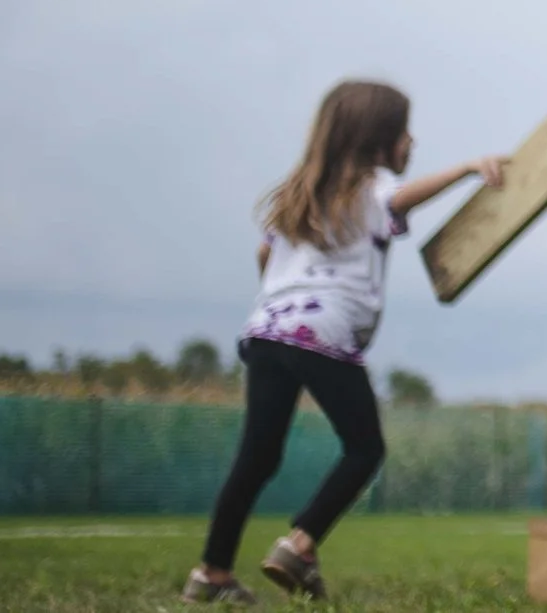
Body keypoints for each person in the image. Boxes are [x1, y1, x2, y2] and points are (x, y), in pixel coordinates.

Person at [184, 81, 507, 602]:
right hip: (321, 331)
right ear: (379, 139)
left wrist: (288, 288)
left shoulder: (301, 194)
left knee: (257, 456)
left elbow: (265, 257)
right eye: (404, 131)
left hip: (267, 328)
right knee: (364, 448)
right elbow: (401, 197)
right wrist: (468, 169)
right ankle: (300, 544)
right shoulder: (371, 190)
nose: (412, 141)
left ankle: (211, 574)